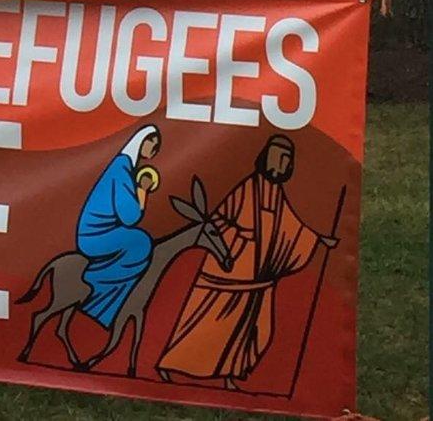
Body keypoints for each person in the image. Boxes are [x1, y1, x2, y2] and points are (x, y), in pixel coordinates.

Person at [157, 135, 337, 390]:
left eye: (286, 161)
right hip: (229, 273)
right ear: (266, 159)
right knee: (204, 325)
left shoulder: (276, 193)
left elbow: (290, 225)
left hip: (259, 279)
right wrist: (239, 237)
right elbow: (218, 220)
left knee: (258, 331)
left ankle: (232, 374)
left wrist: (317, 239)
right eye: (277, 159)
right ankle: (169, 366)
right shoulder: (246, 189)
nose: (280, 165)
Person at [74, 124, 161, 328]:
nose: (153, 149)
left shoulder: (124, 167)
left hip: (102, 231)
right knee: (141, 242)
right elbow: (130, 217)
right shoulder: (121, 169)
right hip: (95, 235)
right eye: (151, 143)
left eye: (156, 146)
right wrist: (143, 190)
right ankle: (96, 297)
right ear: (141, 141)